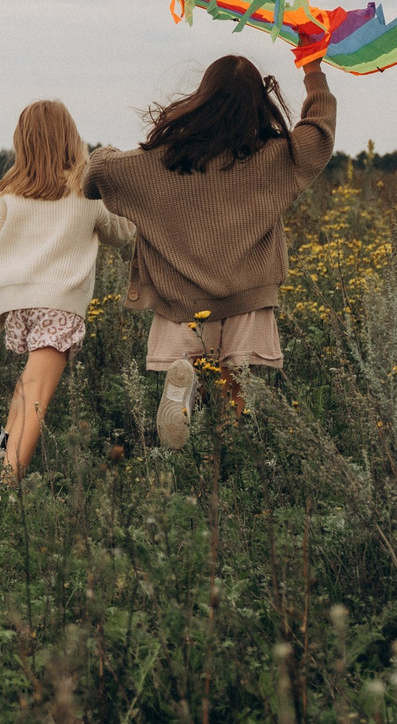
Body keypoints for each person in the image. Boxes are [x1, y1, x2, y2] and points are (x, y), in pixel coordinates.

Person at [82, 53, 334, 450]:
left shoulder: (161, 161)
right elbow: (319, 131)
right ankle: (225, 461)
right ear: (258, 103)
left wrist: (109, 152)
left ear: (201, 98)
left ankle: (184, 416)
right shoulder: (274, 157)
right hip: (247, 299)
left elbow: (96, 174)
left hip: (180, 304)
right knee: (236, 390)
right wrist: (313, 70)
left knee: (194, 381)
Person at [0, 100, 134, 491]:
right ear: (71, 139)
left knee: (29, 383)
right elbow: (122, 232)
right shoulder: (88, 196)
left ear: (22, 144)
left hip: (16, 307)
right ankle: (6, 490)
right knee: (37, 394)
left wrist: (6, 279)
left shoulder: (7, 197)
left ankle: (1, 449)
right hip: (59, 305)